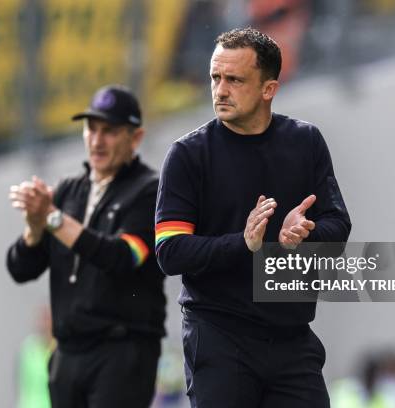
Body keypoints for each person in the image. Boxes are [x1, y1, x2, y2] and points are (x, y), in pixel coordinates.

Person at [155, 27, 351, 407]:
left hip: (292, 337)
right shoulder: (187, 155)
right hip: (218, 336)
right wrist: (243, 244)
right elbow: (170, 251)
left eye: (234, 79)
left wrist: (305, 234)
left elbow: (338, 226)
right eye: (215, 77)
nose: (220, 89)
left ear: (268, 89)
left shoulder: (305, 141)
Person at [7, 85, 166, 408]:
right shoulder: (69, 191)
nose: (96, 140)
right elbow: (21, 269)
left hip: (120, 351)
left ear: (135, 138)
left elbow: (122, 257)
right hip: (68, 352)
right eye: (91, 129)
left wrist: (52, 219)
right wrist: (34, 227)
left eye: (109, 131)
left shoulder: (149, 191)